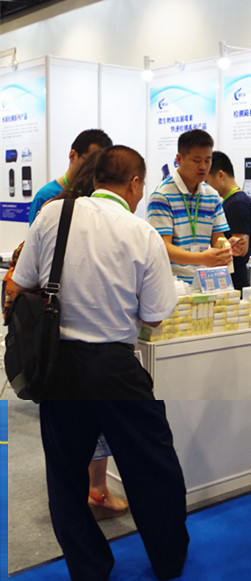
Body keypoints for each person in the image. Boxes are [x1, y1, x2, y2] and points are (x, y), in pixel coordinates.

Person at [12, 146, 189, 580]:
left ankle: (89, 567)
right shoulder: (141, 232)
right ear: (134, 184)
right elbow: (155, 315)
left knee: (65, 474)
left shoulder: (53, 216)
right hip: (115, 366)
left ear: (95, 178)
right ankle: (168, 560)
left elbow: (22, 283)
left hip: (59, 365)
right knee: (153, 467)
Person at [48, 150, 129, 520]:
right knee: (90, 426)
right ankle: (92, 492)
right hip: (95, 351)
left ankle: (90, 493)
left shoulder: (56, 212)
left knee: (72, 432)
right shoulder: (58, 209)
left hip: (60, 350)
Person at [147, 129, 235, 285]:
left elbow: (218, 238)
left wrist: (226, 247)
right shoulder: (162, 196)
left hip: (205, 283)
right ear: (179, 159)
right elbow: (163, 247)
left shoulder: (212, 196)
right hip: (172, 285)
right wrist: (201, 258)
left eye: (207, 160)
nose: (203, 167)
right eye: (196, 160)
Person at [28, 128, 112, 225]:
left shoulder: (99, 195)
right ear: (72, 156)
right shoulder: (45, 196)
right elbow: (36, 233)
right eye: (90, 162)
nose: (94, 169)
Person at [206, 151, 251, 291]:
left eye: (207, 182)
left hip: (234, 281)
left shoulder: (237, 203)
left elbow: (240, 249)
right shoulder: (232, 201)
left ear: (220, 175)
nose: (205, 187)